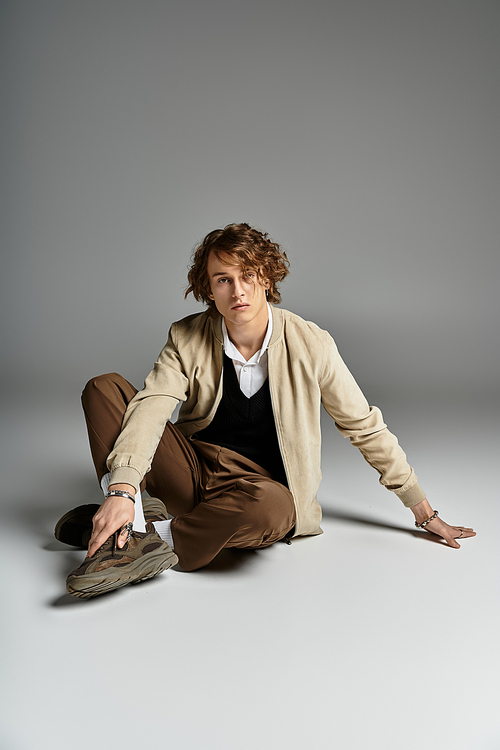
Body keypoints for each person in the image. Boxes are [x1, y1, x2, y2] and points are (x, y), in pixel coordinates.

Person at [55, 223, 475, 598]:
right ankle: (128, 514)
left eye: (248, 276)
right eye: (223, 279)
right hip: (193, 471)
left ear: (267, 277)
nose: (237, 291)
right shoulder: (186, 336)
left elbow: (364, 426)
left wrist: (423, 511)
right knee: (104, 389)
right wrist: (122, 489)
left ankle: (140, 534)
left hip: (259, 492)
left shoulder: (312, 343)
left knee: (276, 509)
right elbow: (152, 407)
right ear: (208, 288)